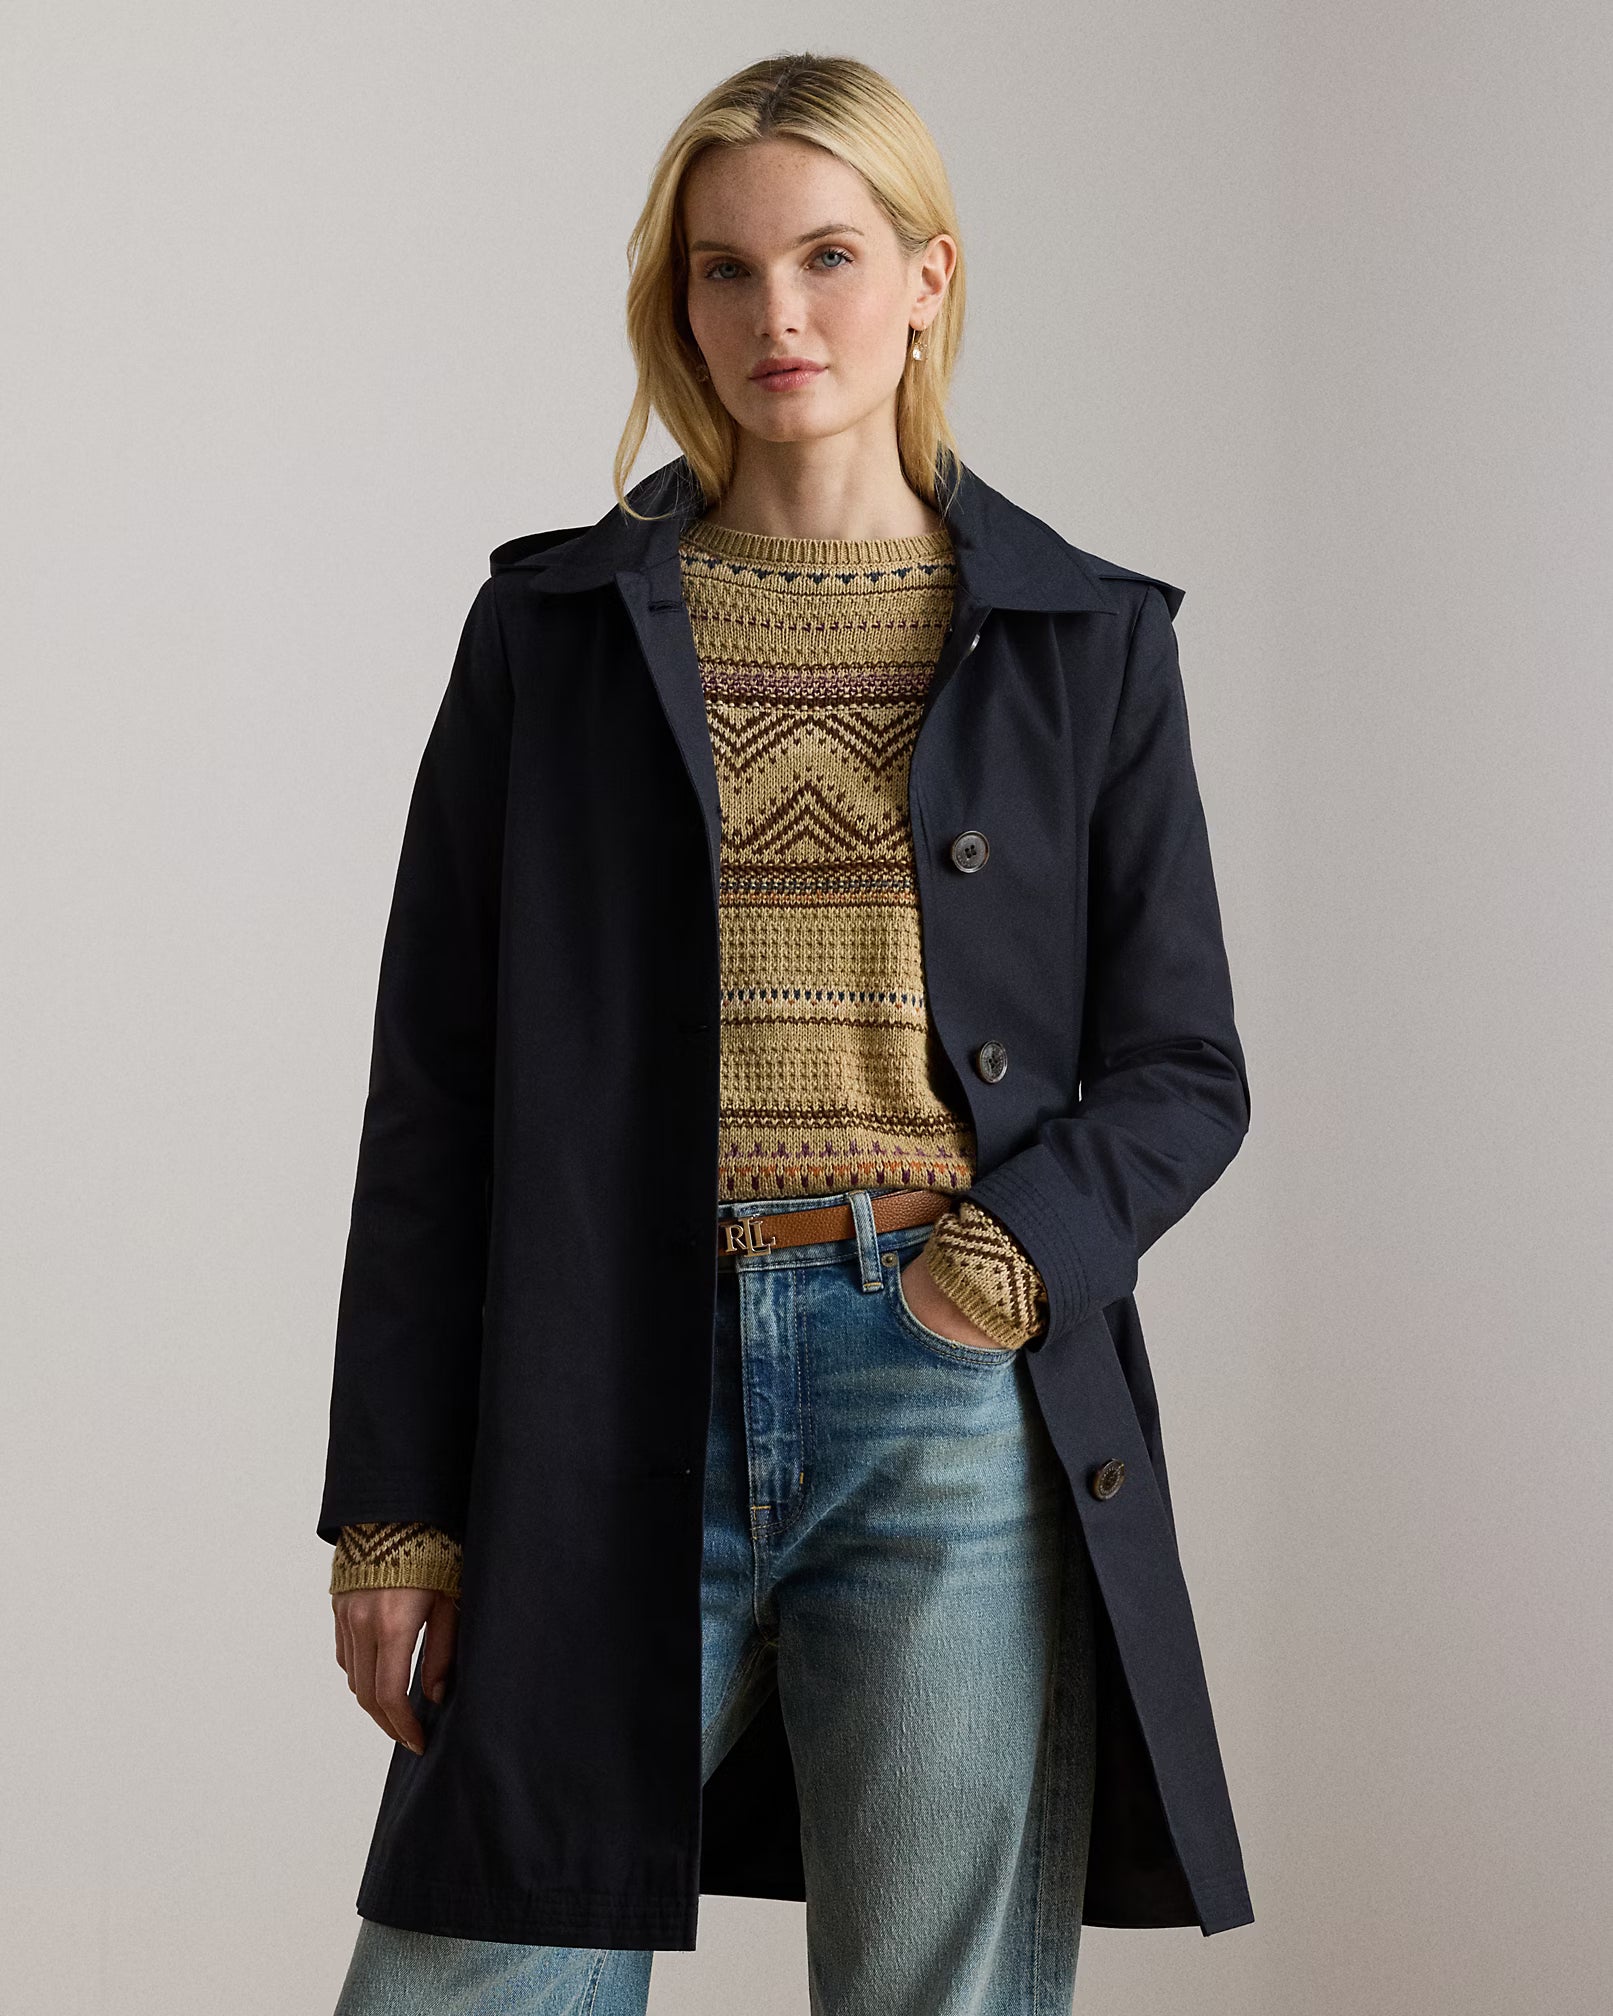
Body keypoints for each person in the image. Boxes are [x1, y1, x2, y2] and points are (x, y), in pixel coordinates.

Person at [322, 48, 1252, 2016]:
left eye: (828, 256)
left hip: (946, 1399)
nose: (778, 315)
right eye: (724, 270)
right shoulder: (552, 636)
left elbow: (1186, 1069)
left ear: (926, 277)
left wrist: (1002, 1263)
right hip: (606, 1390)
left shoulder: (1091, 643)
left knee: (934, 1994)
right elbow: (439, 1096)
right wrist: (395, 1508)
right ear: (678, 302)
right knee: (466, 1981)